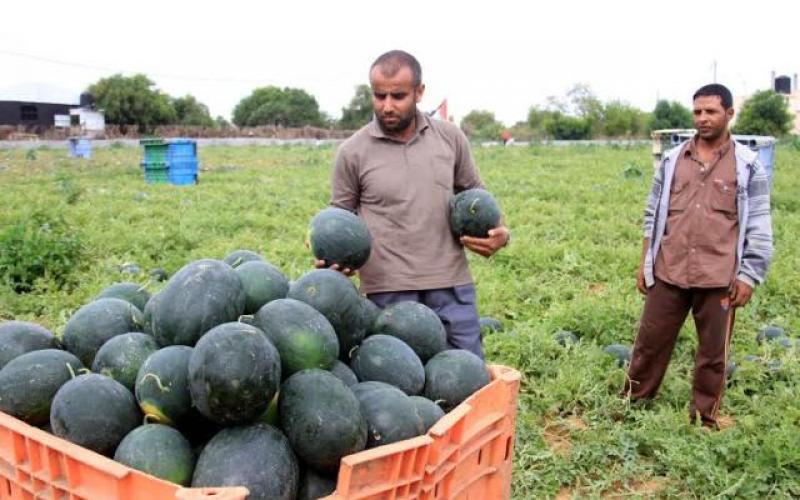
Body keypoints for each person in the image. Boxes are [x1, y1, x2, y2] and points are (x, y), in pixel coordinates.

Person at [321, 50, 510, 359]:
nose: (387, 106)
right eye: (379, 95)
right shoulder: (352, 152)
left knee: (465, 377)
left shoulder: (450, 138)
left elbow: (476, 194)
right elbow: (339, 219)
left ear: (420, 92)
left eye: (398, 96)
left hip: (450, 285)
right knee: (402, 388)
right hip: (386, 292)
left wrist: (501, 232)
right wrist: (331, 259)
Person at [625, 83, 773, 428]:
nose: (702, 118)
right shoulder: (673, 160)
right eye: (697, 112)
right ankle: (633, 403)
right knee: (649, 342)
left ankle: (704, 418)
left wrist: (749, 274)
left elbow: (761, 226)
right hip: (669, 269)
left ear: (730, 114)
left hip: (719, 276)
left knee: (713, 355)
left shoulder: (748, 166)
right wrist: (646, 261)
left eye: (711, 111)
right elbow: (653, 215)